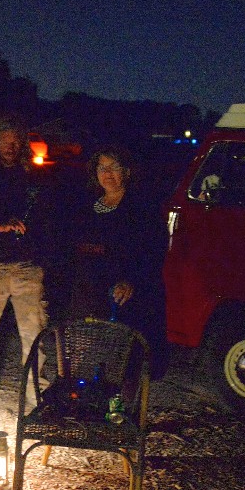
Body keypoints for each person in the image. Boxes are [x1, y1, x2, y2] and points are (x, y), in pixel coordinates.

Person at [0, 117, 56, 410]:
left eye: (16, 141)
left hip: (27, 268)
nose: (10, 147)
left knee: (34, 338)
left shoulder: (35, 179)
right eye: (4, 141)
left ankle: (35, 399)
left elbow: (48, 222)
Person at [66, 146, 168, 377]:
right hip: (89, 293)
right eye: (102, 168)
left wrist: (133, 281)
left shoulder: (142, 208)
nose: (107, 173)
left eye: (114, 168)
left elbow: (153, 251)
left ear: (127, 172)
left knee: (122, 362)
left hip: (124, 297)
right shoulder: (87, 206)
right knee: (86, 355)